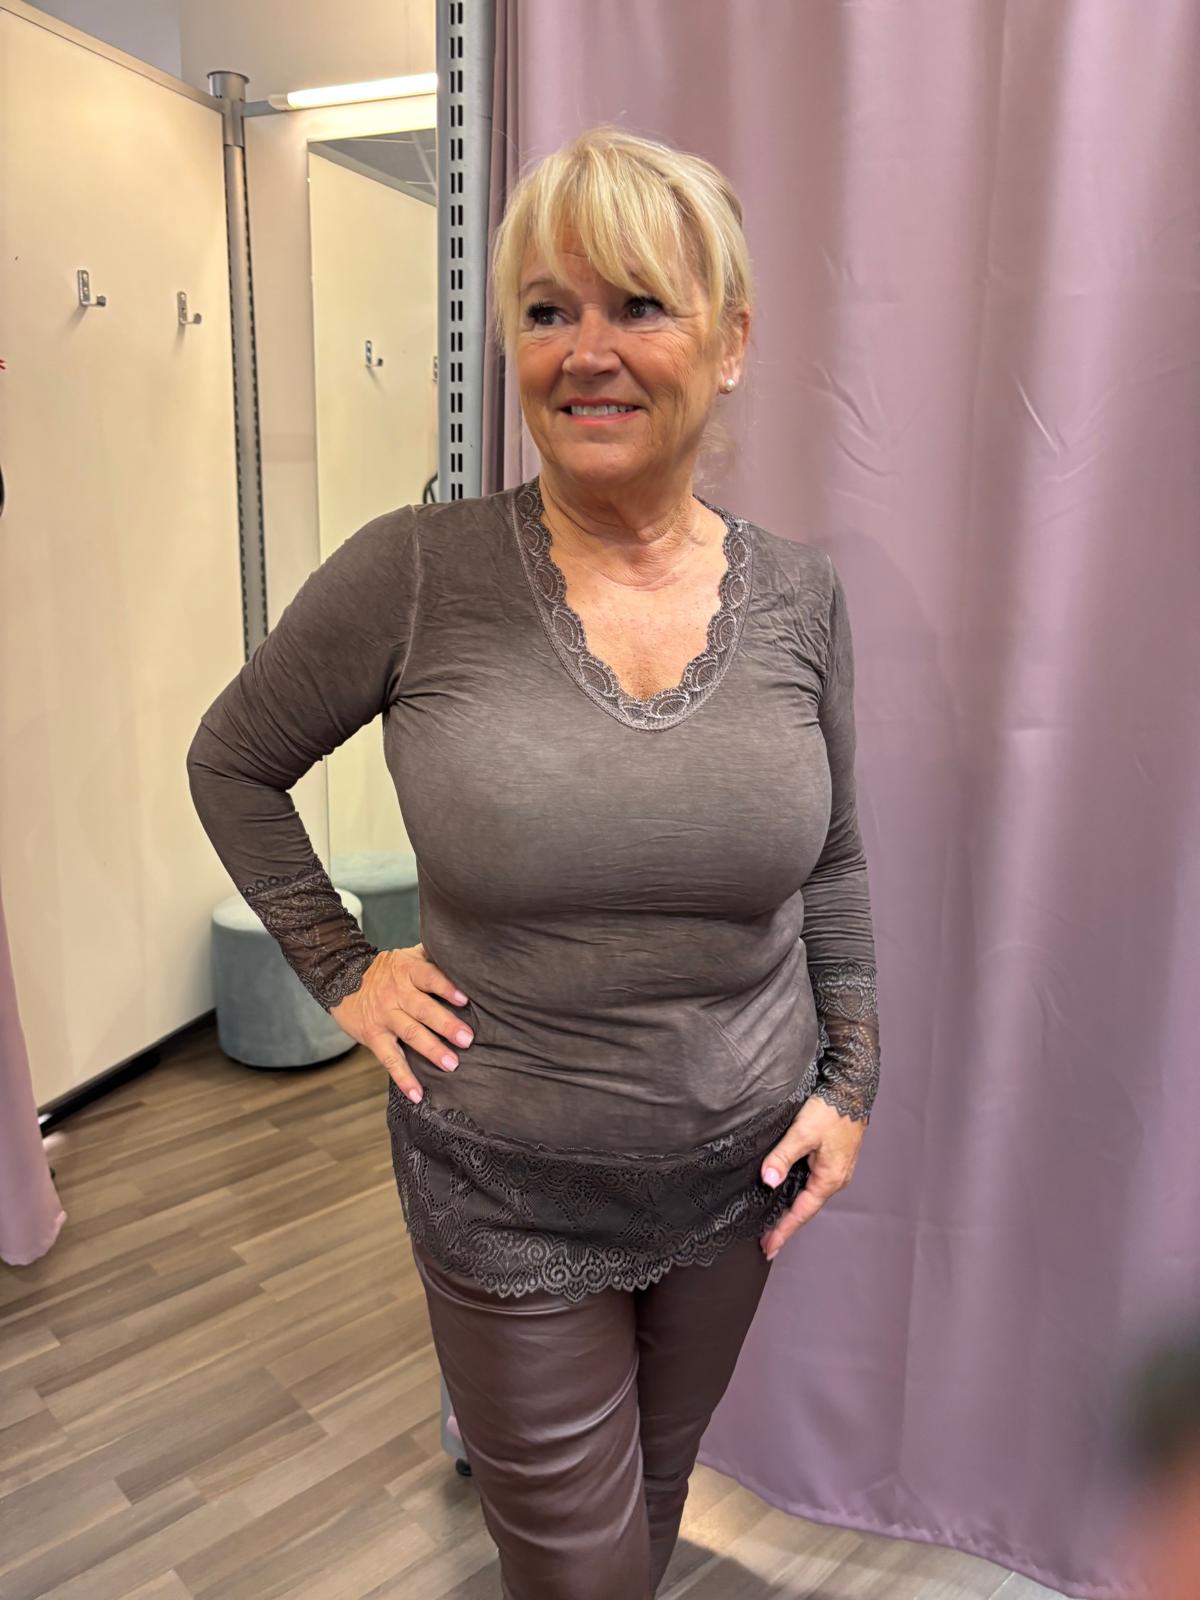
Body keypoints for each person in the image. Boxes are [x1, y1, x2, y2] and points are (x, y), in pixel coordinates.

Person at [187, 124, 882, 1599]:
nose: (587, 352)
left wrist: (851, 1084)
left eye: (639, 305)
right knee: (577, 1570)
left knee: (655, 1496)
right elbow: (232, 760)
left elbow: (831, 861)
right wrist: (341, 968)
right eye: (549, 310)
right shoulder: (415, 571)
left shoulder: (801, 597)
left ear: (732, 341)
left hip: (739, 1173)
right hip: (506, 1188)